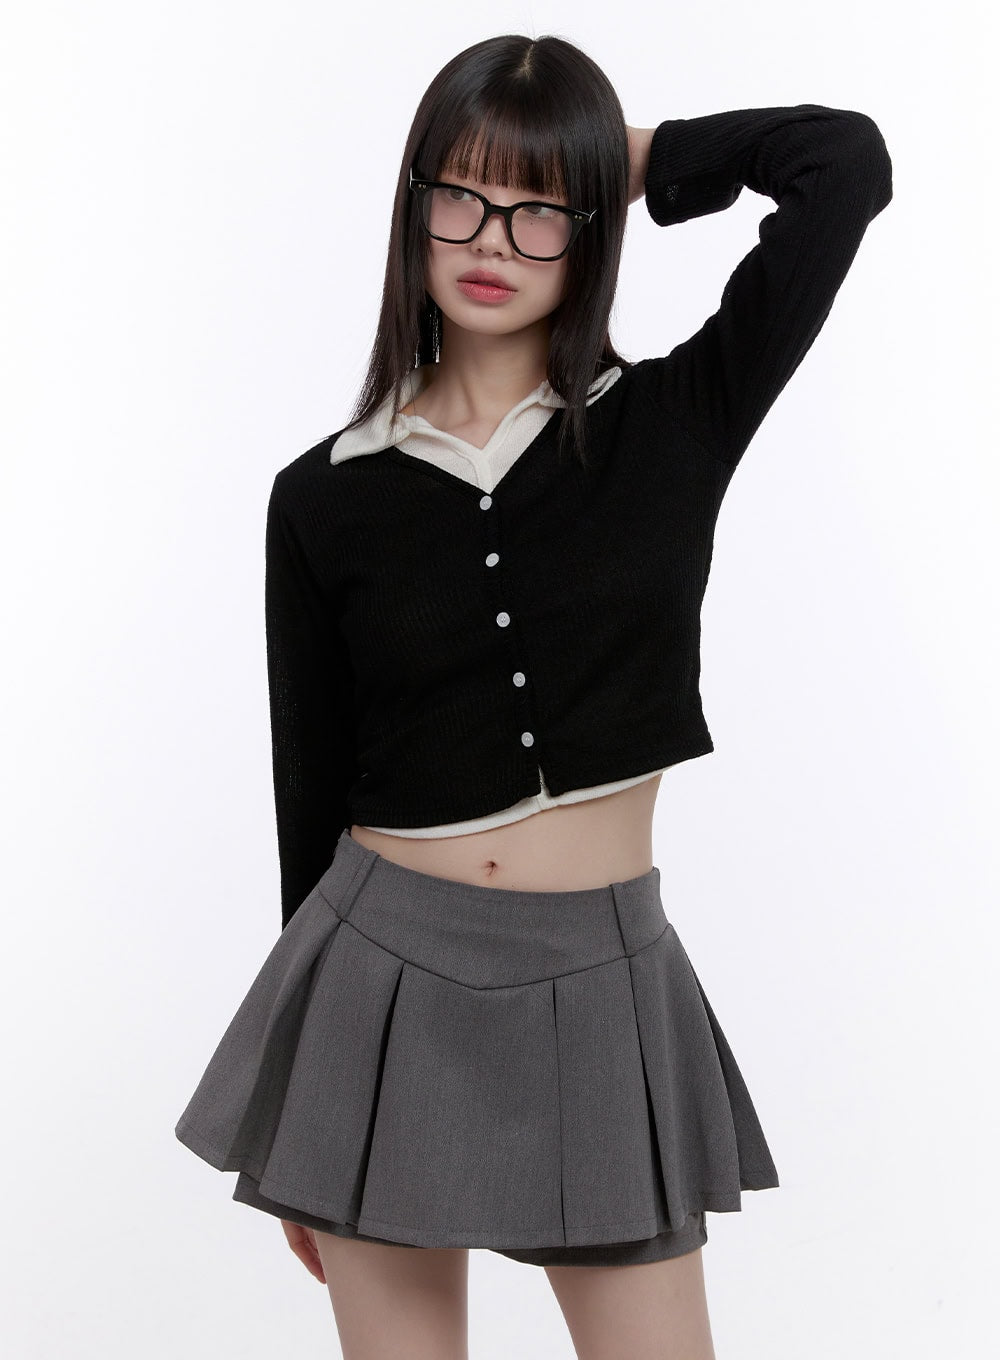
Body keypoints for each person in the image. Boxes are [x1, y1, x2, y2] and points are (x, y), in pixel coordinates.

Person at [175, 32, 892, 1360]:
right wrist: (307, 1113)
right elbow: (308, 794)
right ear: (412, 210)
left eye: (537, 208)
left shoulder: (677, 420)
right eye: (460, 194)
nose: (492, 238)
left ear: (589, 226)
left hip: (602, 978)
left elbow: (842, 163)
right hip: (376, 986)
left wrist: (615, 156)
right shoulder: (322, 497)